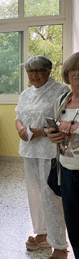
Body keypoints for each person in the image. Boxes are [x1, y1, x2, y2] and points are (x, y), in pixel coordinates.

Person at [15, 56, 69, 259]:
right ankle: (43, 234)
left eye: (38, 71)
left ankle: (60, 246)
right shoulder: (26, 93)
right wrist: (21, 128)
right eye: (30, 71)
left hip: (50, 152)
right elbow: (18, 117)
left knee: (51, 197)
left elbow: (65, 121)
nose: (33, 75)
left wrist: (40, 132)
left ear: (48, 71)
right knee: (35, 195)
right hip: (29, 150)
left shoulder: (60, 91)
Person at [47, 52, 79, 259]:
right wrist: (51, 134)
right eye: (73, 69)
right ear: (67, 73)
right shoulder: (63, 100)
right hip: (66, 169)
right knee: (74, 224)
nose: (77, 73)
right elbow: (54, 129)